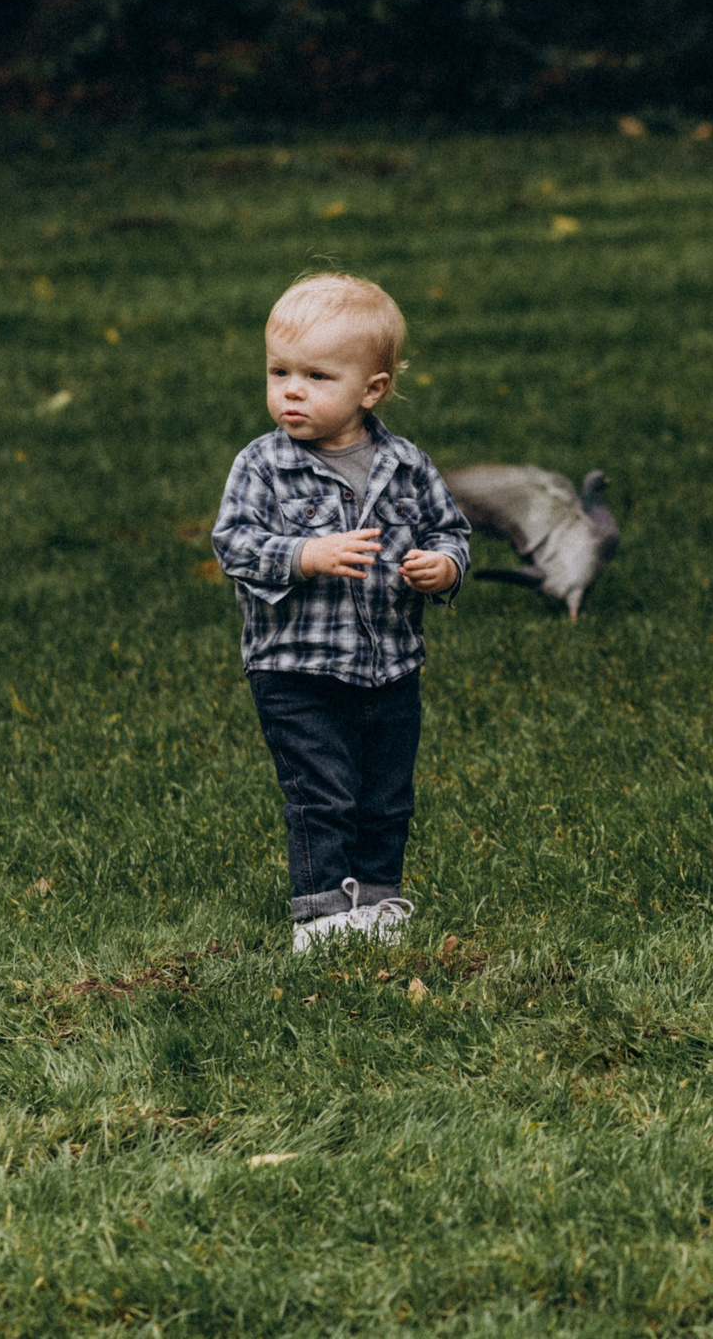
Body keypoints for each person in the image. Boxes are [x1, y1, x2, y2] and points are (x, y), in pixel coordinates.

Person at [213, 273, 472, 953]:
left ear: (372, 389)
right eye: (279, 371)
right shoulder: (263, 466)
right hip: (296, 669)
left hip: (389, 666)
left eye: (317, 376)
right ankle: (324, 913)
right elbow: (234, 545)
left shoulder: (407, 466)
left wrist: (441, 567)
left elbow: (450, 533)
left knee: (386, 793)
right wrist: (306, 554)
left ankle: (379, 902)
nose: (291, 390)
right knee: (322, 789)